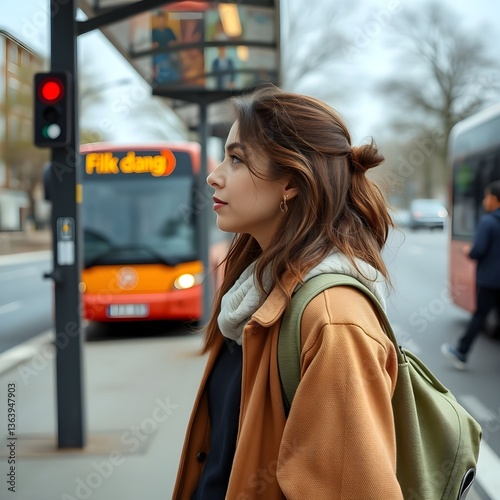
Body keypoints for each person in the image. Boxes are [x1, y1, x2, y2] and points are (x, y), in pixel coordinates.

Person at [172, 84, 402, 499]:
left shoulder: (333, 319)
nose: (214, 175)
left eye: (236, 159)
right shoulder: (255, 291)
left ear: (291, 184)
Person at [441, 179, 500, 369]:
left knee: (480, 315)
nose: (485, 201)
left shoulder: (488, 221)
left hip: (490, 280)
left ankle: (461, 352)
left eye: (487, 196)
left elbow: (478, 251)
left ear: (495, 199)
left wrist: (468, 250)